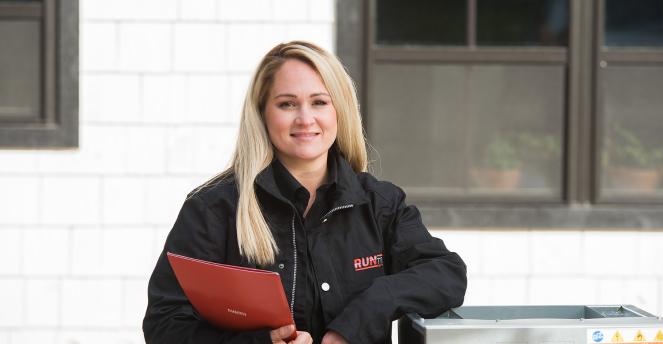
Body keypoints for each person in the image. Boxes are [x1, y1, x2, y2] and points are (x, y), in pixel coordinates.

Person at [143, 41, 467, 344]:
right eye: (287, 104)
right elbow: (165, 323)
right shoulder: (214, 208)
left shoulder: (380, 204)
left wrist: (361, 316)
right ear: (262, 114)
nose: (305, 118)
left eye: (319, 102)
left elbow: (446, 274)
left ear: (338, 110)